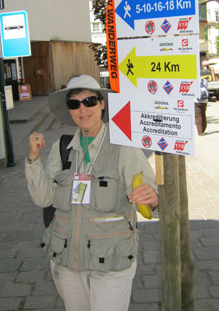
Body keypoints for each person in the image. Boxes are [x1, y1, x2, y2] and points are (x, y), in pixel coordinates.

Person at [25, 75, 158, 311]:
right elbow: (44, 198)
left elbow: (148, 194)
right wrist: (33, 160)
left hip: (111, 260)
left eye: (89, 101)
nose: (82, 109)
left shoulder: (123, 145)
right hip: (67, 260)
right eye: (74, 103)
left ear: (102, 103)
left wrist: (151, 198)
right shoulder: (62, 147)